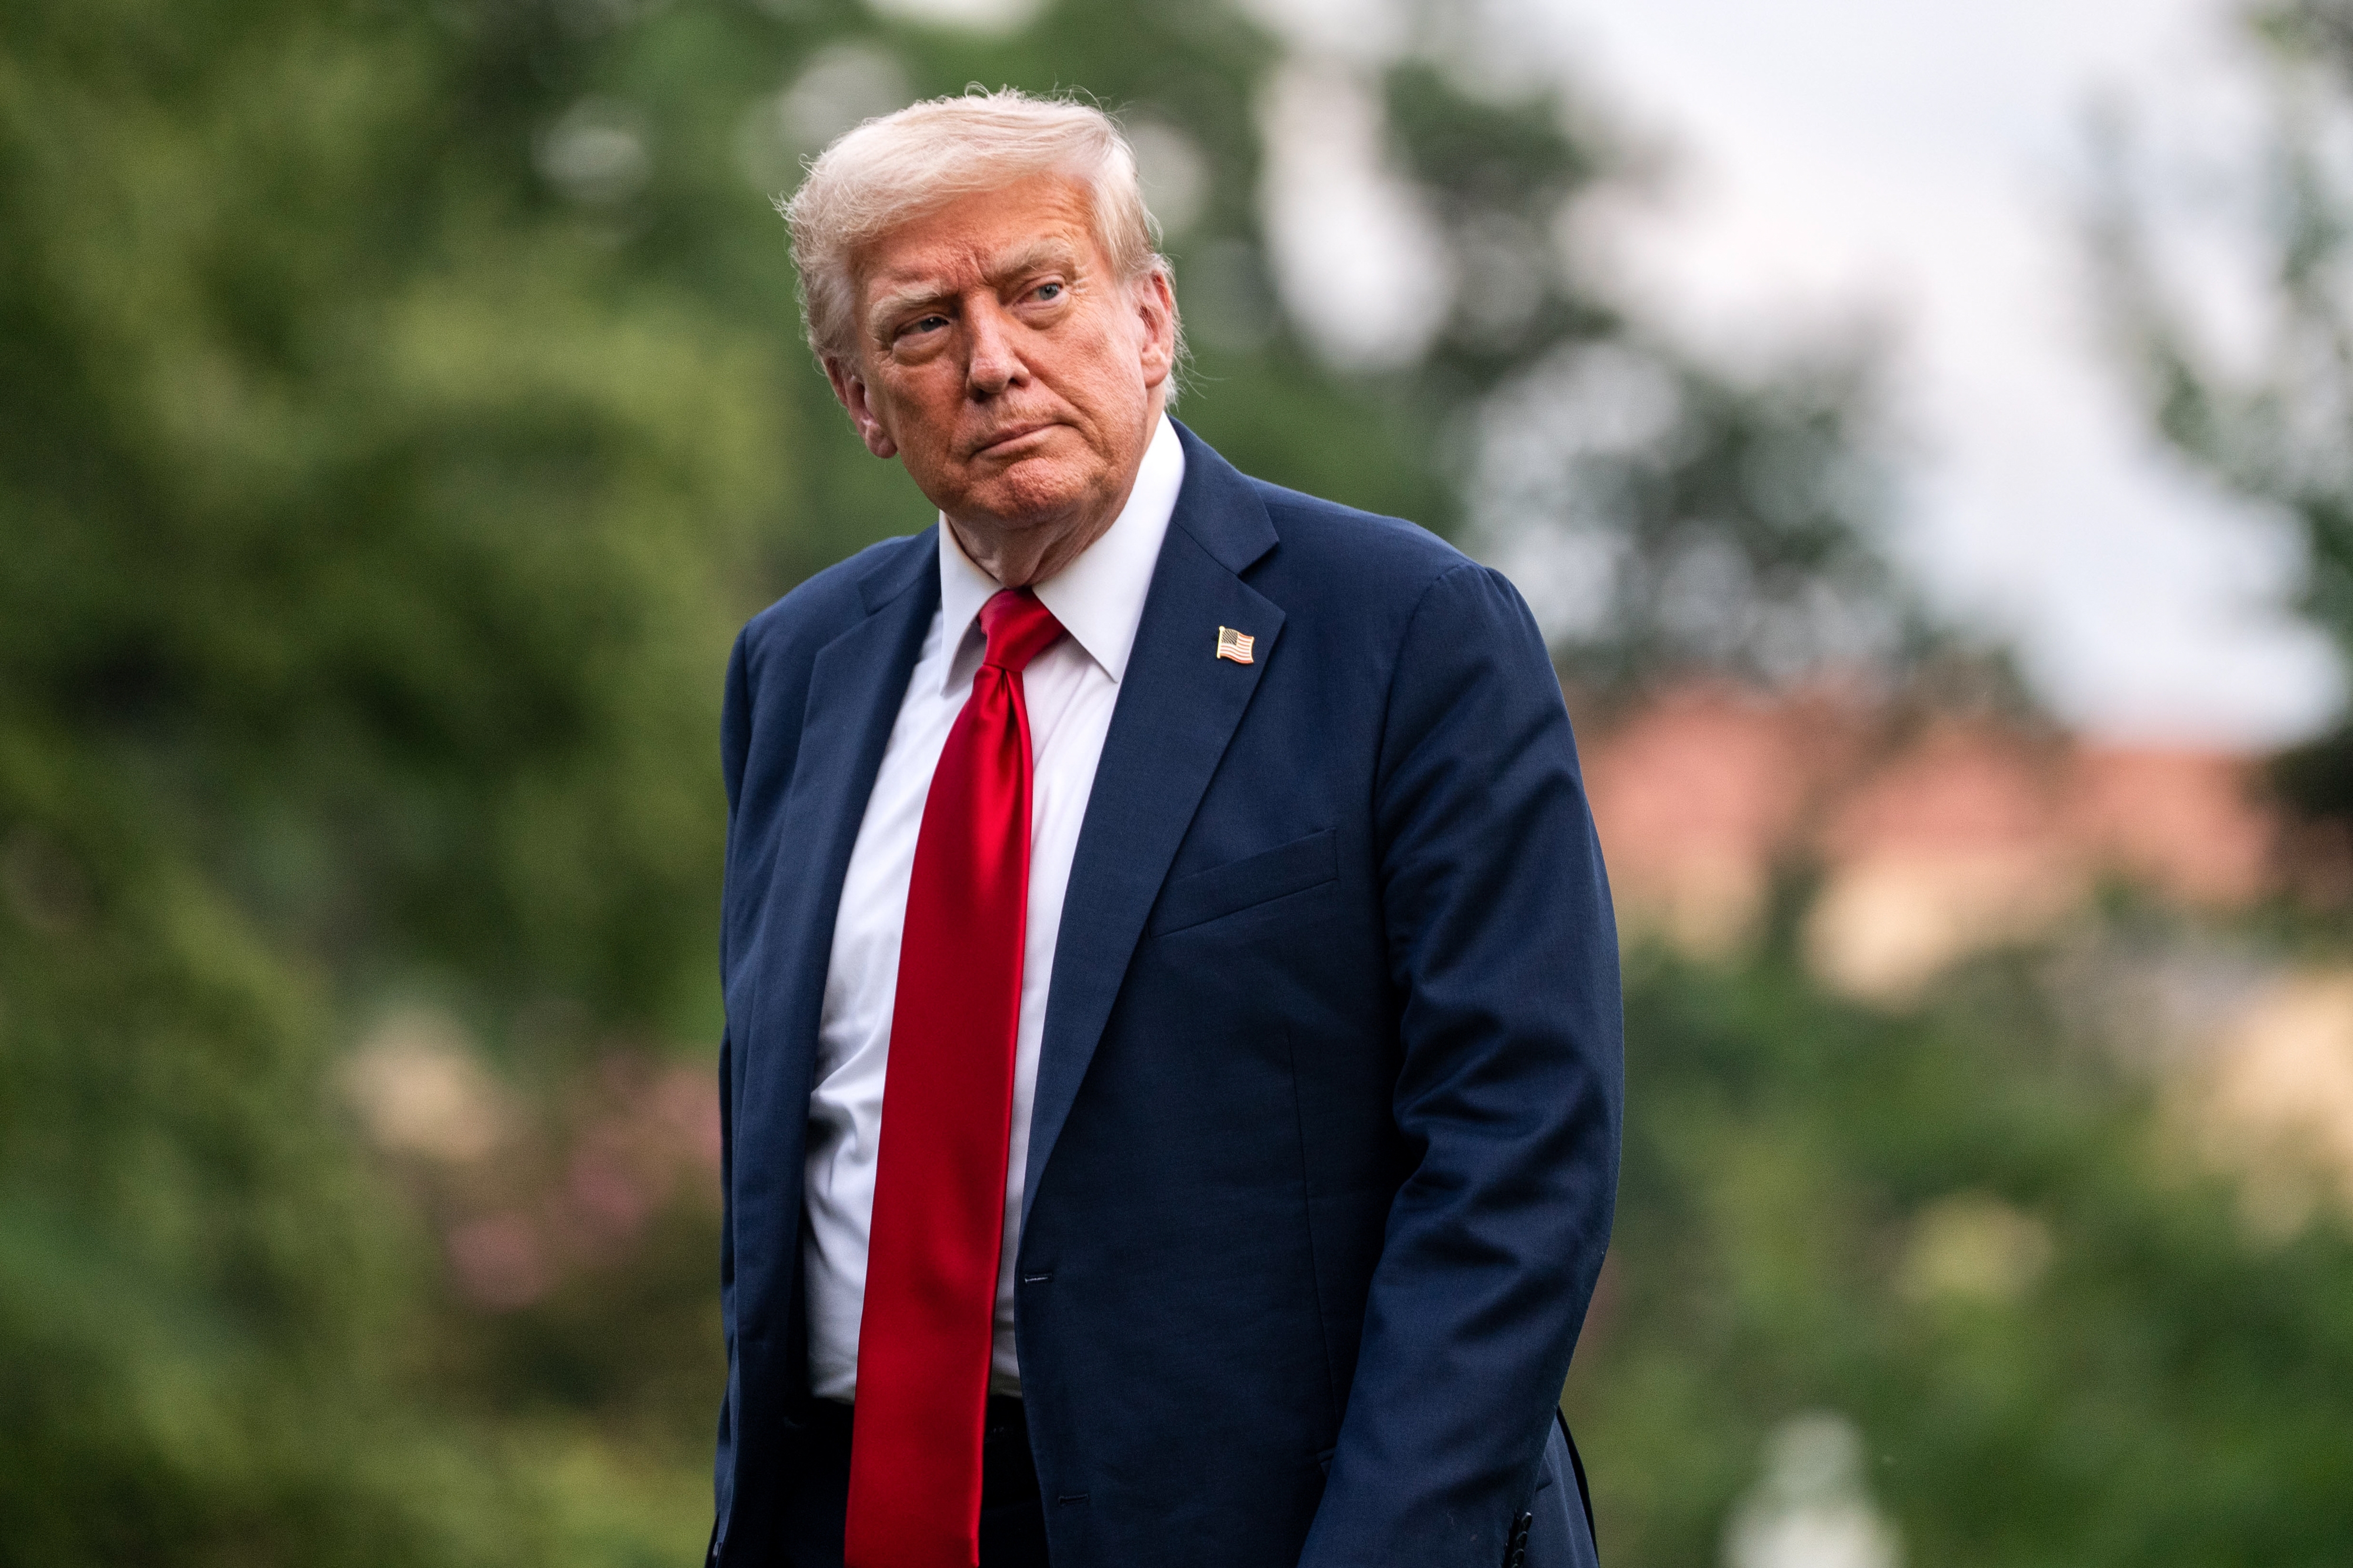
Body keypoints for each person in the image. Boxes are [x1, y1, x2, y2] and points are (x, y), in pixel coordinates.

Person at [710, 88, 1621, 1568]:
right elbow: (792, 1154)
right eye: (922, 327)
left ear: (1149, 319)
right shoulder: (796, 668)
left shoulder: (1407, 636)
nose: (993, 363)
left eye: (1039, 291)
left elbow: (1516, 1161)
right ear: (856, 397)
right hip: (859, 1512)